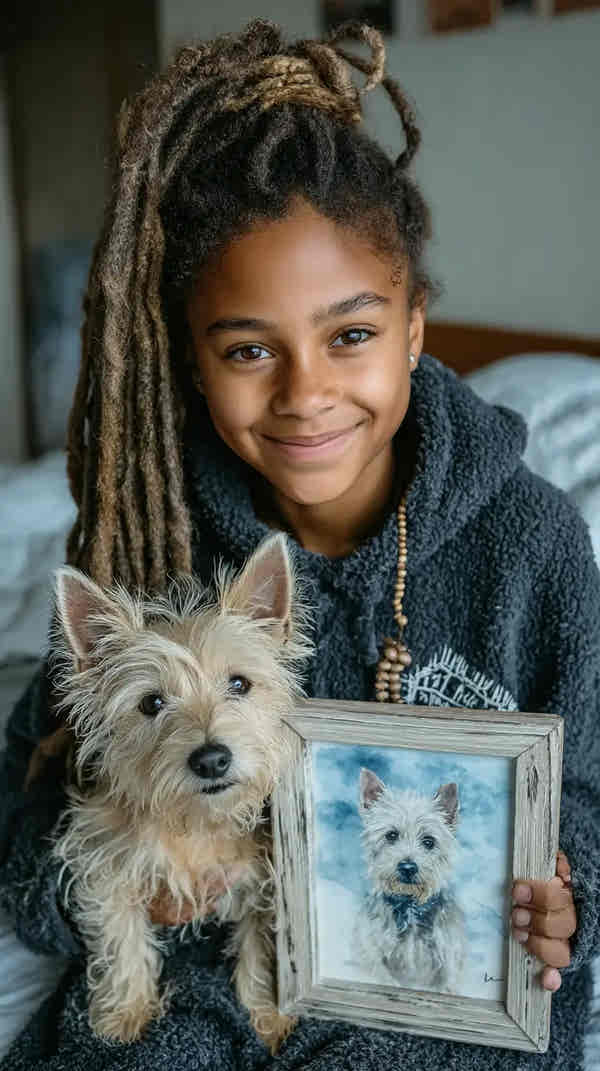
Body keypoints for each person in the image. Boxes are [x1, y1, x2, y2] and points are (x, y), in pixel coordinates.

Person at [0, 17, 598, 1071]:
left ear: (415, 327)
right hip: (198, 975)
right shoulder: (148, 529)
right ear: (191, 360)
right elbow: (35, 816)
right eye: (247, 349)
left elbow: (586, 792)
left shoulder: (533, 545)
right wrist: (115, 890)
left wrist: (571, 895)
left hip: (435, 986)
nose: (306, 393)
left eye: (352, 334)